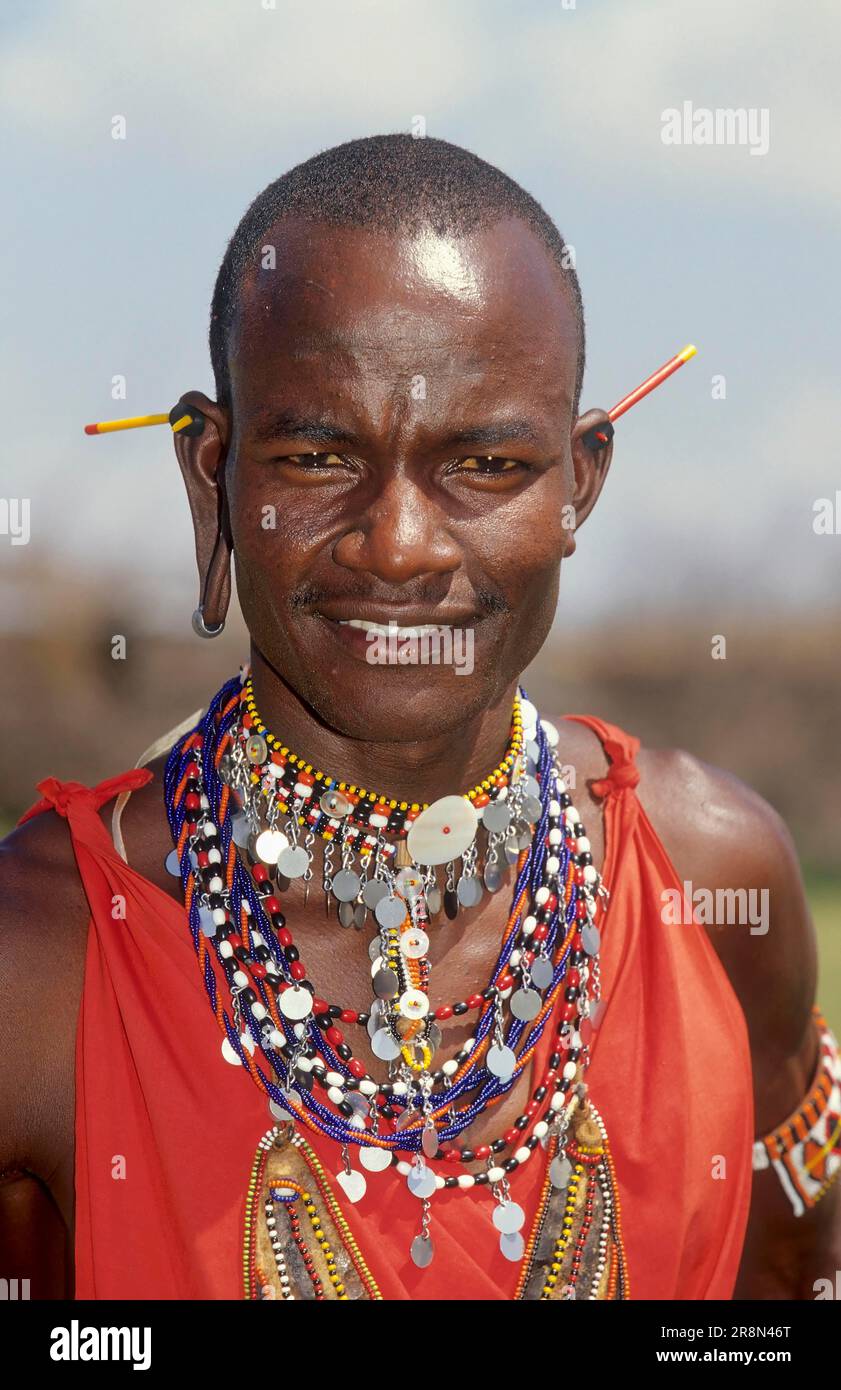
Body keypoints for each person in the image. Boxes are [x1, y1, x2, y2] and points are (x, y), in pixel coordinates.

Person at [1, 134, 839, 1302]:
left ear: (578, 482)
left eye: (486, 463)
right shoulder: (37, 963)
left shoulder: (712, 881)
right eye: (315, 454)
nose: (398, 544)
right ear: (214, 475)